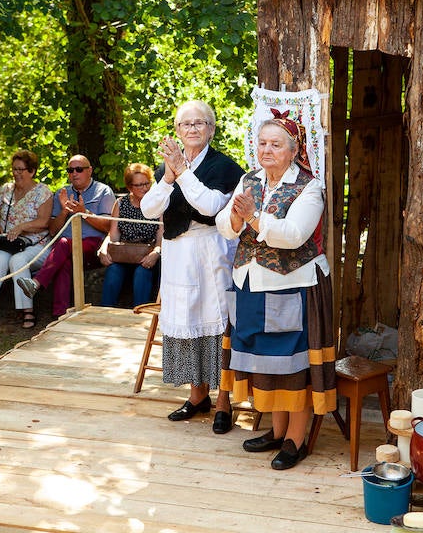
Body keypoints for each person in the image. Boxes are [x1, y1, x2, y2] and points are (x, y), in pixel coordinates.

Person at [215, 109, 336, 470]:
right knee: (264, 362)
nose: (266, 150)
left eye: (275, 144)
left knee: (292, 365)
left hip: (293, 286)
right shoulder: (250, 179)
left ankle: (295, 440)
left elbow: (294, 235)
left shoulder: (310, 187)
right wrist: (236, 218)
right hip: (250, 282)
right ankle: (275, 429)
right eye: (262, 143)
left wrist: (252, 217)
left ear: (294, 148)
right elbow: (224, 225)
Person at [141, 99, 245, 434]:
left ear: (211, 130)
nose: (193, 129)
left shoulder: (224, 167)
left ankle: (225, 402)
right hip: (176, 253)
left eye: (200, 123)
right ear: (177, 131)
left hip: (209, 250)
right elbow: (148, 209)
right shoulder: (168, 168)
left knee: (217, 322)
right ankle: (197, 395)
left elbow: (213, 206)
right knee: (186, 319)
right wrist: (168, 177)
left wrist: (183, 173)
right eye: (186, 124)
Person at [16, 154, 115, 319]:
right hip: (65, 249)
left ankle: (36, 283)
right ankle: (60, 316)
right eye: (70, 170)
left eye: (79, 169)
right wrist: (64, 211)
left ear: (89, 171)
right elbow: (53, 230)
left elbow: (108, 226)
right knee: (64, 262)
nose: (74, 173)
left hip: (92, 246)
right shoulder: (62, 192)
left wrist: (84, 213)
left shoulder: (103, 191)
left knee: (63, 244)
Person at [0, 150, 52, 329]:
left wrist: (22, 227)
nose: (16, 173)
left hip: (35, 245)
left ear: (32, 171)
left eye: (21, 169)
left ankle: (27, 310)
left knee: (18, 260)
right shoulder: (6, 190)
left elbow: (44, 222)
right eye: (14, 169)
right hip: (9, 243)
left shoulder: (42, 192)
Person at [97, 163, 163, 309]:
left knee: (142, 273)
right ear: (129, 187)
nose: (144, 188)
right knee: (113, 270)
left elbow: (161, 237)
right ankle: (104, 313)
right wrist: (103, 249)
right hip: (124, 253)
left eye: (146, 183)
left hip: (148, 254)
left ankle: (141, 315)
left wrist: (156, 253)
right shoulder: (121, 204)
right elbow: (113, 235)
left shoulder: (158, 204)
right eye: (138, 185)